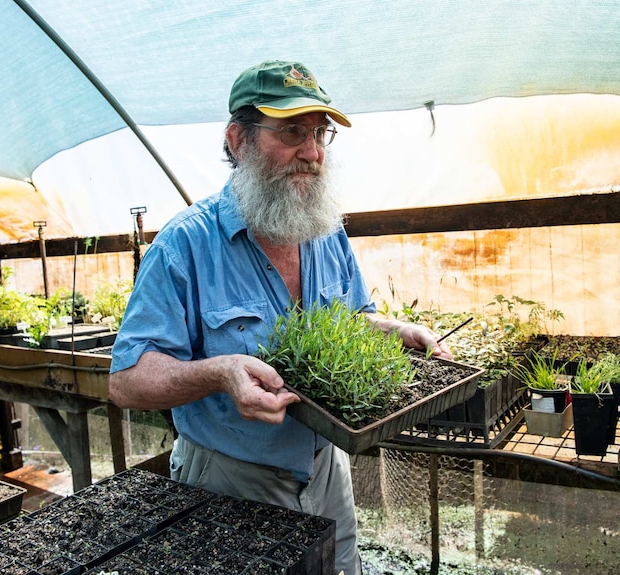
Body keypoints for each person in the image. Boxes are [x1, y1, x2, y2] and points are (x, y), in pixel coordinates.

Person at [109, 60, 451, 575]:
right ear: (238, 141)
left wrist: (397, 331)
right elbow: (127, 380)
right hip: (229, 481)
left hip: (326, 470)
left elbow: (352, 320)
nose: (311, 152)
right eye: (290, 130)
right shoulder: (185, 245)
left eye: (319, 134)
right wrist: (220, 374)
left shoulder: (324, 230)